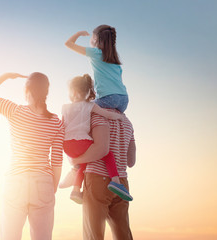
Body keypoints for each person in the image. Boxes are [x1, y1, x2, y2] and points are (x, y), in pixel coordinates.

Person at [0, 72, 64, 240]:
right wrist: (51, 187)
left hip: (15, 180)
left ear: (26, 90)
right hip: (43, 181)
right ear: (47, 92)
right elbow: (57, 160)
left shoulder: (14, 111)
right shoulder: (56, 122)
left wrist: (5, 76)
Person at [58, 74, 132, 204]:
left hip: (67, 146)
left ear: (73, 92)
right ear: (87, 92)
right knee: (107, 154)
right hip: (81, 142)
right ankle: (116, 182)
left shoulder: (65, 107)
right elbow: (107, 114)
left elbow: (61, 127)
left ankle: (75, 189)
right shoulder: (89, 106)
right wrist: (119, 117)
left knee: (84, 161)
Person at [70, 111, 136, 240]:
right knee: (123, 231)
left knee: (93, 233)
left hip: (97, 177)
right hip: (121, 182)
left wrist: (76, 161)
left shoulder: (95, 117)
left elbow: (85, 146)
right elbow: (131, 161)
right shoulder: (127, 123)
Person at [65, 25, 129, 113]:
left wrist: (79, 34)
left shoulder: (96, 52)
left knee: (83, 107)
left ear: (95, 38)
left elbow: (68, 44)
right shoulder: (115, 61)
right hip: (124, 100)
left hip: (109, 99)